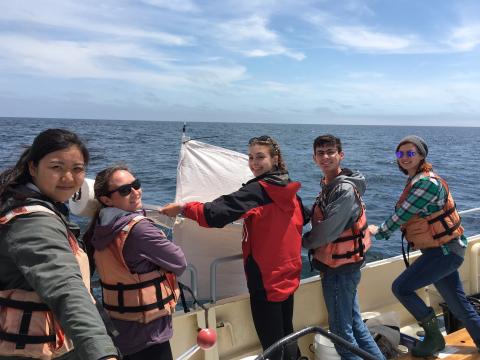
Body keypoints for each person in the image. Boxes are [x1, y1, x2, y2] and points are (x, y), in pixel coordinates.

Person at [160, 135, 306, 360]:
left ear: (275, 159)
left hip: (265, 280)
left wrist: (182, 208)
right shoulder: (288, 186)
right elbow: (303, 217)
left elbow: (215, 214)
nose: (254, 163)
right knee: (287, 331)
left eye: (260, 157)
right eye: (250, 157)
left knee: (272, 343)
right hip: (288, 274)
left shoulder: (258, 191)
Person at [0, 129, 118, 360]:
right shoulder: (33, 221)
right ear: (33, 168)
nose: (68, 178)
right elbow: (66, 288)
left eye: (77, 169)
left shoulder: (16, 201)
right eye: (56, 167)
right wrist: (102, 354)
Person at [368, 135, 480, 357]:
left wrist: (378, 231)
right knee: (458, 304)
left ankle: (433, 337)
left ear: (421, 155)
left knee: (401, 287)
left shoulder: (426, 183)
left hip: (444, 252)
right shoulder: (416, 180)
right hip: (443, 250)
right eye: (401, 154)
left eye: (411, 153)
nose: (405, 158)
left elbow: (402, 215)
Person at [83, 165, 187, 360]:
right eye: (124, 190)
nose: (135, 192)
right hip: (149, 332)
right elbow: (179, 262)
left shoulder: (99, 227)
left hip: (120, 328)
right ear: (106, 200)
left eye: (136, 184)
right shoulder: (140, 230)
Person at [302, 134, 385, 360]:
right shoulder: (330, 184)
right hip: (344, 266)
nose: (325, 157)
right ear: (314, 158)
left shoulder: (343, 190)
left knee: (341, 335)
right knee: (356, 326)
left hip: (340, 270)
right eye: (321, 153)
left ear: (341, 155)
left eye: (331, 152)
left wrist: (299, 242)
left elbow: (328, 230)